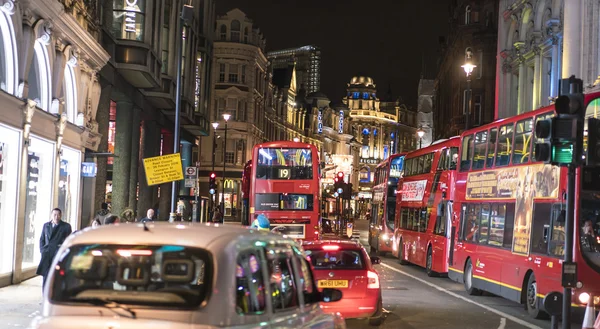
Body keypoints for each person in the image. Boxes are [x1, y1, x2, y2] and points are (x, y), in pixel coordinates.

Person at [36, 208, 72, 292]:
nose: (56, 217)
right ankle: (45, 296)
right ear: (51, 215)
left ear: (61, 215)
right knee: (45, 276)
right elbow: (42, 239)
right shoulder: (46, 225)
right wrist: (42, 250)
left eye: (58, 215)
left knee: (56, 276)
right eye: (54, 215)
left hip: (58, 254)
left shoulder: (66, 226)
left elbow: (68, 240)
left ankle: (54, 295)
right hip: (47, 254)